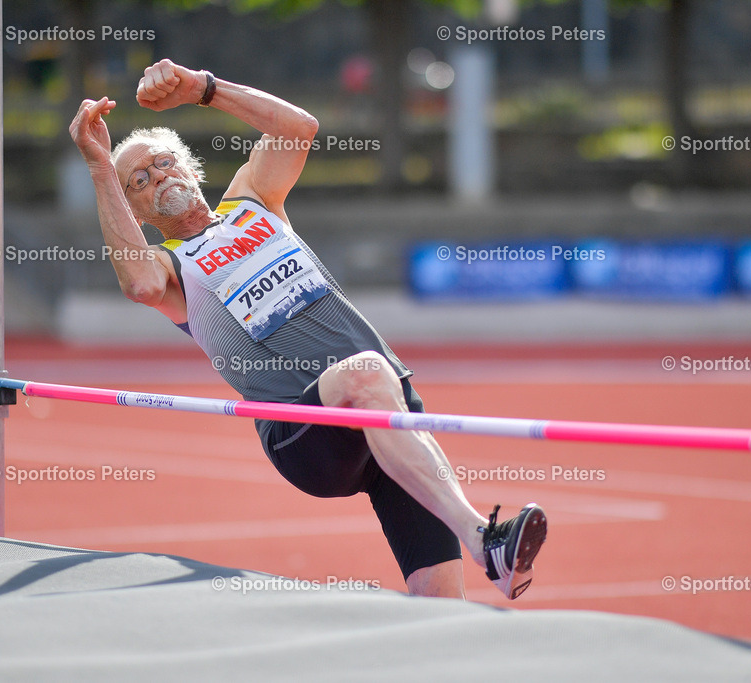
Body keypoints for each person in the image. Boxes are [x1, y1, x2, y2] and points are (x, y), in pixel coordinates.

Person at [69, 59, 546, 599]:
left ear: (191, 169)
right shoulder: (169, 267)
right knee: (366, 372)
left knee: (441, 606)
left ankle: (477, 573)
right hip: (303, 430)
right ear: (134, 209)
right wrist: (101, 170)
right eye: (139, 179)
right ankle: (484, 541)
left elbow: (299, 128)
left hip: (388, 406)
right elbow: (137, 284)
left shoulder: (252, 201)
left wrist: (203, 88)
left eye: (162, 162)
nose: (157, 176)